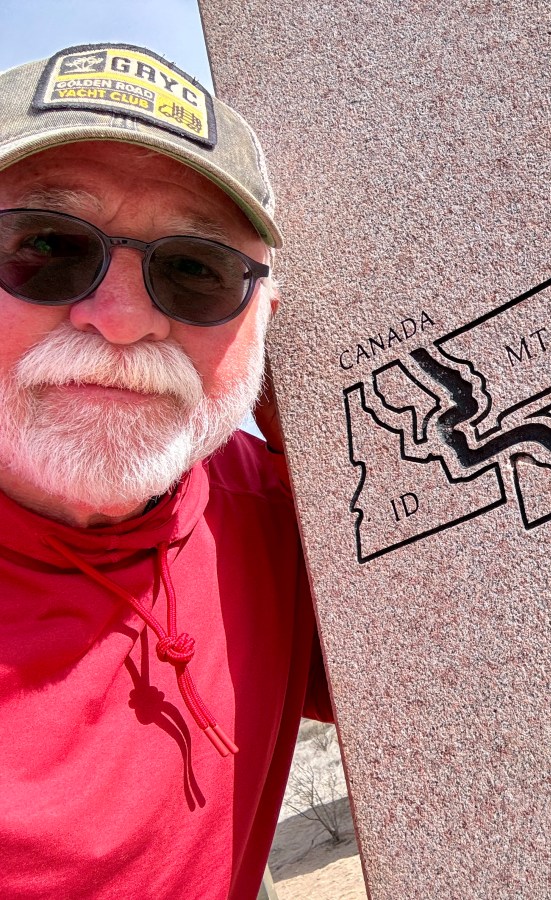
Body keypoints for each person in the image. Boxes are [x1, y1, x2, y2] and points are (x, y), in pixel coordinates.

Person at [0, 43, 329, 899]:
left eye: (195, 269)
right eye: (44, 246)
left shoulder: (292, 514)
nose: (121, 320)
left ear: (266, 317)